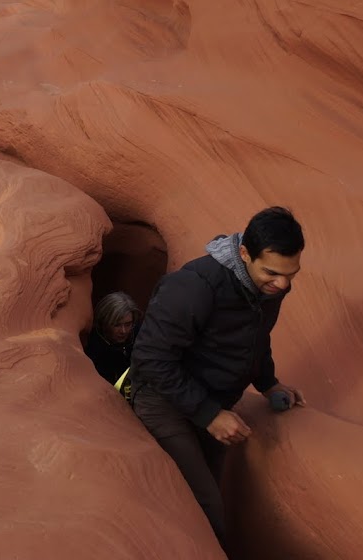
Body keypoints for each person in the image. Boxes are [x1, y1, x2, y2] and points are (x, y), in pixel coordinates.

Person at [130, 206, 307, 551]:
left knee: (211, 492)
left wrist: (268, 383)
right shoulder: (194, 286)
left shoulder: (269, 287)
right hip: (164, 402)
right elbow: (150, 358)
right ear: (244, 253)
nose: (283, 284)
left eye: (291, 273)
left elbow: (257, 336)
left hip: (213, 401)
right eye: (272, 272)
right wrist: (209, 415)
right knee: (204, 509)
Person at [82, 291, 140, 386]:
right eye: (116, 325)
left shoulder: (140, 338)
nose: (123, 331)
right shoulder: (93, 349)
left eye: (128, 324)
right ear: (104, 323)